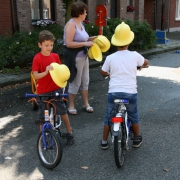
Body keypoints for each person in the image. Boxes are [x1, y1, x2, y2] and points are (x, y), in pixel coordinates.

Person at [100, 22, 149, 149]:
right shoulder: (134, 55)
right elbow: (146, 62)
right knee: (134, 115)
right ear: (129, 41)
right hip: (130, 93)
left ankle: (104, 142)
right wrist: (141, 65)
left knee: (108, 117)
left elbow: (102, 72)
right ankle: (137, 139)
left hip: (114, 93)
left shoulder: (110, 57)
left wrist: (109, 74)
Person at [32, 30, 74, 145]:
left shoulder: (55, 56)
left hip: (55, 89)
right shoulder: (37, 58)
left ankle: (70, 132)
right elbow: (35, 75)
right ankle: (43, 136)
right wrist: (45, 72)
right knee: (42, 116)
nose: (49, 47)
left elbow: (60, 71)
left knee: (62, 111)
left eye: (51, 45)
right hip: (43, 91)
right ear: (39, 45)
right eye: (46, 45)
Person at [63, 1, 97, 115]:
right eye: (85, 12)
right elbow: (68, 43)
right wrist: (85, 44)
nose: (86, 14)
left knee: (85, 80)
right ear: (80, 13)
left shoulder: (80, 24)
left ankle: (86, 104)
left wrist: (94, 38)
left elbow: (83, 40)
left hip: (84, 56)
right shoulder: (71, 24)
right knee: (75, 81)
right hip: (75, 57)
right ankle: (71, 105)